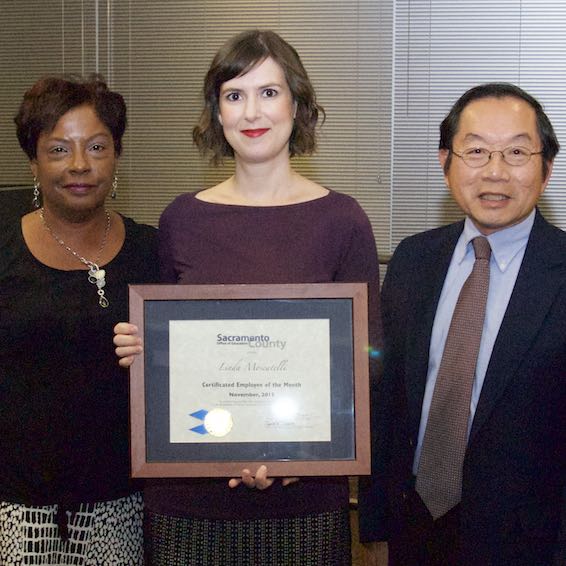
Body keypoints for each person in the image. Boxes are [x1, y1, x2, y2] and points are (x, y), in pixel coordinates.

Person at [114, 29, 381, 565]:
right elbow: (171, 349)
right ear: (217, 113)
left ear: (298, 104)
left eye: (269, 92)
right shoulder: (181, 219)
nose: (251, 111)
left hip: (304, 500)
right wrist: (140, 349)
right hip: (188, 502)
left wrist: (299, 451)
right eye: (234, 95)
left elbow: (366, 360)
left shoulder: (343, 220)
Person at [358, 82, 566, 566]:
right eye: (475, 151)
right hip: (414, 527)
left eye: (516, 151)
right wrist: (374, 523)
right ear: (444, 161)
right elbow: (386, 397)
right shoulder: (413, 258)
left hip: (529, 541)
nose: (495, 171)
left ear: (547, 168)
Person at [0, 76, 159, 564]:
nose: (79, 165)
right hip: (13, 507)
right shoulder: (3, 247)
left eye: (96, 146)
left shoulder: (152, 253)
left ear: (117, 155)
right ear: (33, 161)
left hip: (123, 506)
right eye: (58, 149)